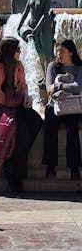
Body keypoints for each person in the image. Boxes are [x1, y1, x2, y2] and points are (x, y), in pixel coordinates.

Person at [0, 36, 42, 193]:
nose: (20, 52)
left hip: (16, 105)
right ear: (9, 51)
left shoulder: (19, 66)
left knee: (36, 120)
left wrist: (26, 98)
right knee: (16, 129)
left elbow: (24, 86)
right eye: (17, 49)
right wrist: (13, 101)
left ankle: (18, 158)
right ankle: (13, 169)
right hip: (0, 108)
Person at [42, 39, 82, 180]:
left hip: (73, 106)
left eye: (62, 51)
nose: (59, 54)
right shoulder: (52, 66)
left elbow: (77, 87)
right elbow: (49, 88)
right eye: (57, 51)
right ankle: (50, 167)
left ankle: (75, 169)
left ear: (71, 52)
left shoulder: (79, 68)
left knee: (72, 130)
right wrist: (57, 93)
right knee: (50, 128)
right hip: (55, 104)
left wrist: (58, 87)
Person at [17, 0, 54, 81]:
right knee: (40, 54)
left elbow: (45, 14)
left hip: (44, 27)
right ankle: (44, 77)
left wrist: (37, 28)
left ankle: (49, 78)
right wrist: (20, 25)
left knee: (47, 54)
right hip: (33, 27)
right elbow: (26, 11)